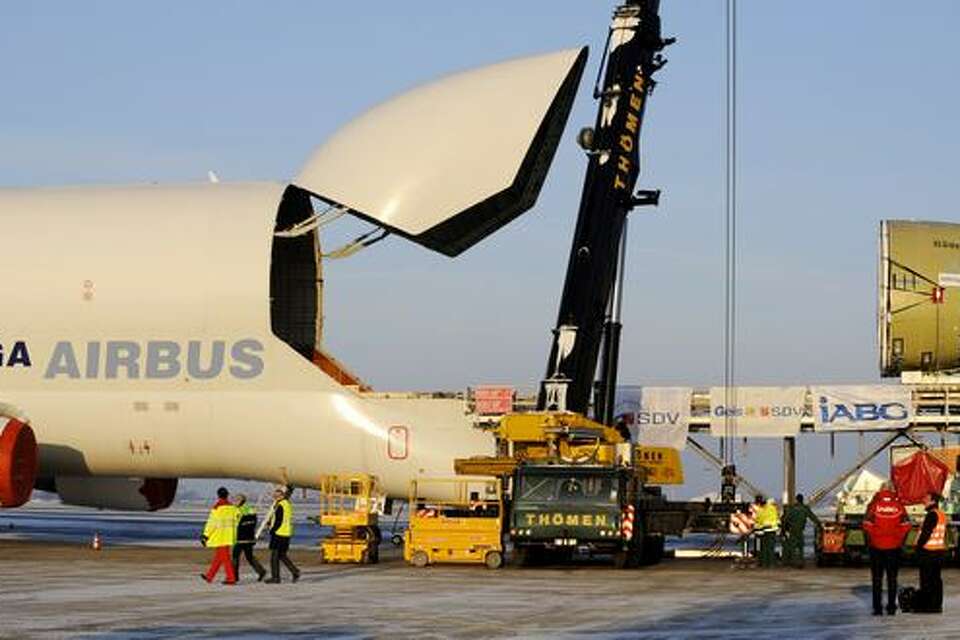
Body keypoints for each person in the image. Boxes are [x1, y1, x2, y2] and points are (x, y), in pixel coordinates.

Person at [862, 482, 911, 615]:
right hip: (894, 548)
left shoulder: (874, 505)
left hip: (876, 547)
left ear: (881, 490)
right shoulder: (899, 506)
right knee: (892, 578)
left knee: (877, 579)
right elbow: (906, 525)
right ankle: (891, 607)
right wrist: (898, 538)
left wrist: (874, 537)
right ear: (892, 490)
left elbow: (866, 524)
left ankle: (877, 608)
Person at [912, 492, 947, 613]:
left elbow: (926, 534)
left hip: (928, 552)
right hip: (938, 551)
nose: (923, 500)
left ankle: (927, 605)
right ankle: (936, 604)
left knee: (926, 580)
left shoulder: (932, 515)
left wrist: (918, 547)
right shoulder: (941, 514)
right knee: (936, 580)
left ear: (933, 501)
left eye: (926, 499)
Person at [200, 486, 239, 585]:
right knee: (219, 557)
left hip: (220, 537)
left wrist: (205, 535)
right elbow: (237, 520)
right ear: (227, 495)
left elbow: (212, 523)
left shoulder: (217, 508)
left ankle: (231, 578)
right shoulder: (233, 508)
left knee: (225, 558)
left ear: (218, 496)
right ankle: (209, 576)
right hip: (229, 536)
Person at [265, 487, 301, 584]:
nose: (274, 497)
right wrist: (270, 522)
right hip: (286, 533)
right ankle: (295, 571)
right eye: (274, 495)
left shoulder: (280, 505)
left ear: (281, 496)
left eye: (276, 495)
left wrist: (272, 530)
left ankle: (275, 577)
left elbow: (279, 520)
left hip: (279, 533)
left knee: (274, 557)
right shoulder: (287, 504)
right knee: (282, 555)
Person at [780, 493, 821, 568]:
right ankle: (801, 562)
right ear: (802, 500)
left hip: (792, 530)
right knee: (801, 546)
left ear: (796, 500)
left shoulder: (792, 509)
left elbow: (785, 520)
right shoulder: (805, 508)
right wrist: (819, 524)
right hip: (800, 530)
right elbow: (813, 517)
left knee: (792, 546)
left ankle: (793, 562)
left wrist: (783, 529)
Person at [232, 494, 266, 582]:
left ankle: (234, 576)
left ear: (241, 500)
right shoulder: (247, 509)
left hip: (241, 538)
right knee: (249, 557)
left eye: (236, 499)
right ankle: (261, 571)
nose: (234, 501)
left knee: (235, 557)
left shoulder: (241, 510)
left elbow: (242, 524)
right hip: (247, 538)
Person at [754, 497, 780, 568]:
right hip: (772, 529)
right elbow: (777, 516)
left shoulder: (761, 510)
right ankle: (771, 564)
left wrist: (756, 528)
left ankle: (765, 563)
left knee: (765, 548)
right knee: (770, 548)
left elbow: (758, 520)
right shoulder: (772, 508)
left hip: (765, 530)